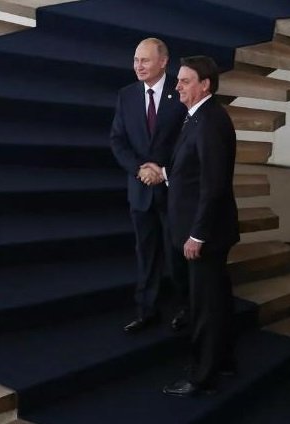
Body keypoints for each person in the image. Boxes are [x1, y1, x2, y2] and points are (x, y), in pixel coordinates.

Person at [147, 56, 240, 396]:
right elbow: (193, 169)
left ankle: (202, 377)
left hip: (204, 235)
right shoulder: (200, 115)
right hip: (205, 229)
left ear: (205, 85)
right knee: (216, 302)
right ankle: (223, 362)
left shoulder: (210, 122)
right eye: (179, 80)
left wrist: (197, 235)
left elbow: (213, 186)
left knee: (204, 308)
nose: (177, 86)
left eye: (185, 81)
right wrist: (165, 173)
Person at [110, 38, 189, 333]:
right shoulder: (126, 95)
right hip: (141, 190)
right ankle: (147, 311)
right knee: (146, 254)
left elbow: (187, 141)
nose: (138, 66)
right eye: (135, 60)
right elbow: (118, 141)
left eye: (144, 60)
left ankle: (187, 308)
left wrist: (163, 172)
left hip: (174, 190)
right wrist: (139, 169)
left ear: (163, 62)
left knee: (177, 254)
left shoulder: (180, 91)